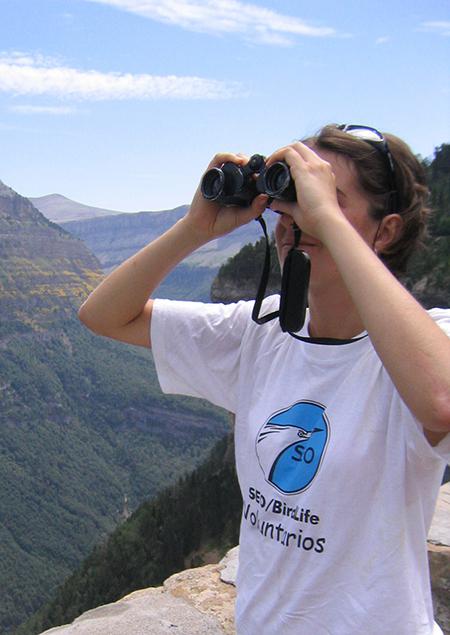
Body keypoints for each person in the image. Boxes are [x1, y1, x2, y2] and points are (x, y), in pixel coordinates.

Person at [78, 124, 450, 635]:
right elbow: (104, 315)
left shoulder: (429, 341)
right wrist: (196, 228)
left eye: (324, 197)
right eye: (291, 195)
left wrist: (326, 222)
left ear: (384, 232)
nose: (296, 215)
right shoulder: (262, 330)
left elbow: (441, 403)